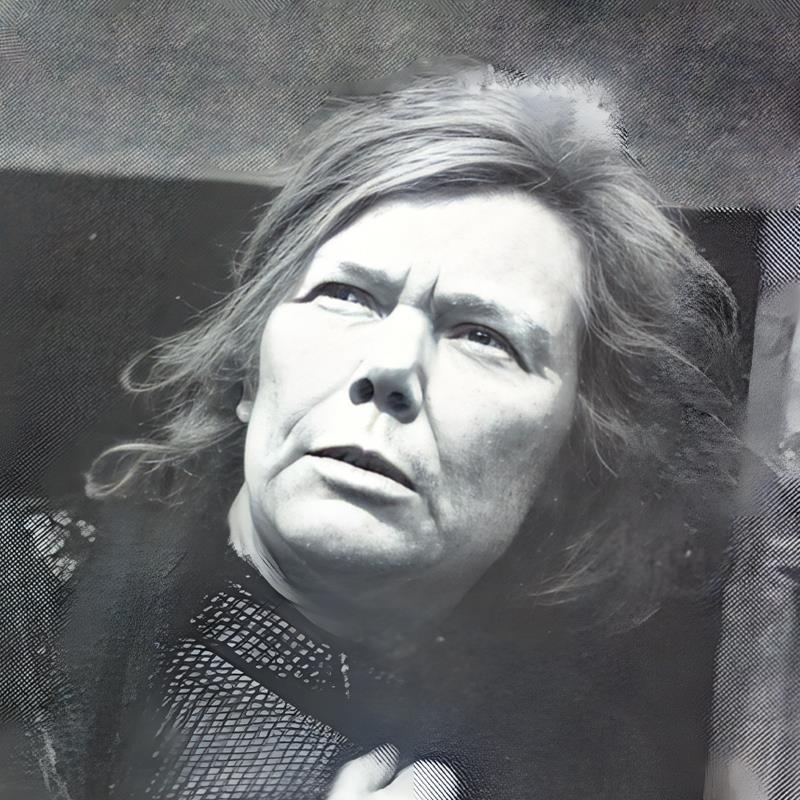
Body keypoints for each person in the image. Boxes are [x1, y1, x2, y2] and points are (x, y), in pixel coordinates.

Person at [5, 60, 743, 799]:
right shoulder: (23, 597)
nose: (390, 365)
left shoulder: (594, 774)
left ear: (575, 458)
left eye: (483, 336)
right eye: (348, 295)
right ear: (249, 373)